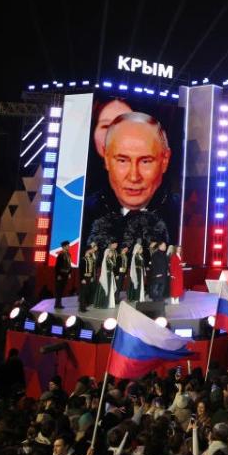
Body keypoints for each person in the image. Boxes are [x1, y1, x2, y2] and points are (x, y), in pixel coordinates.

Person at [84, 112, 178, 263]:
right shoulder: (84, 214)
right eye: (122, 160)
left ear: (165, 160)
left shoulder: (181, 214)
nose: (134, 177)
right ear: (106, 158)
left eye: (146, 161)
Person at [95, 241, 118, 309]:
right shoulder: (106, 260)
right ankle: (101, 303)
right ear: (107, 253)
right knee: (104, 288)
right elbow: (104, 268)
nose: (111, 254)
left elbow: (113, 267)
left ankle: (108, 302)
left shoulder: (110, 260)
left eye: (111, 253)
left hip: (110, 275)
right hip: (106, 275)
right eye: (110, 253)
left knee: (109, 289)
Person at [54, 241, 72, 309]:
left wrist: (70, 273)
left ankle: (59, 304)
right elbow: (57, 266)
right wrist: (58, 275)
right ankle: (57, 304)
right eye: (67, 245)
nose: (69, 247)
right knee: (58, 290)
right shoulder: (60, 255)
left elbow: (69, 265)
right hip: (60, 275)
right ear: (64, 247)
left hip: (66, 274)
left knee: (62, 290)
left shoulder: (68, 254)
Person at [79, 244, 97, 312]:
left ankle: (85, 305)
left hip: (89, 277)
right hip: (84, 277)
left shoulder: (91, 259)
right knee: (83, 292)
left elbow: (92, 269)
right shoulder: (83, 259)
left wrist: (92, 276)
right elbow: (81, 270)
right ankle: (82, 307)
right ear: (87, 250)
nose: (91, 250)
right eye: (90, 249)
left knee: (87, 292)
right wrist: (82, 279)